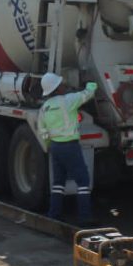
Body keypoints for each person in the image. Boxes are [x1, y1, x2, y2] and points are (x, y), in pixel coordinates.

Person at [36, 72, 97, 225]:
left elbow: (42, 130)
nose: (64, 86)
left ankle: (54, 214)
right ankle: (84, 217)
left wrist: (50, 144)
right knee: (83, 181)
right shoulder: (68, 101)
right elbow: (87, 94)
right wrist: (91, 83)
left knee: (58, 183)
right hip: (70, 146)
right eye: (61, 84)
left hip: (55, 147)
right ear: (56, 89)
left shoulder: (45, 107)